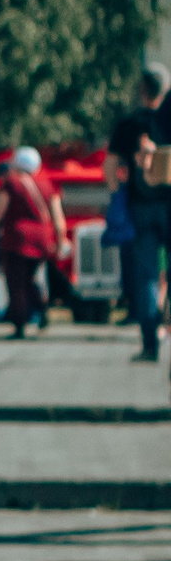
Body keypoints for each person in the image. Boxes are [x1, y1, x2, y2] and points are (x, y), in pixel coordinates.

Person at [105, 63, 171, 361]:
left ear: (142, 90)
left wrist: (118, 192)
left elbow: (109, 168)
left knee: (145, 275)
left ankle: (149, 343)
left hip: (141, 207)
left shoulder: (129, 124)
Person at [0, 146, 67, 338]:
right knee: (30, 279)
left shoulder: (11, 183)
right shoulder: (47, 184)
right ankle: (41, 309)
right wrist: (60, 239)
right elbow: (58, 218)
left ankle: (20, 324)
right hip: (41, 239)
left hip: (16, 239)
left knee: (16, 282)